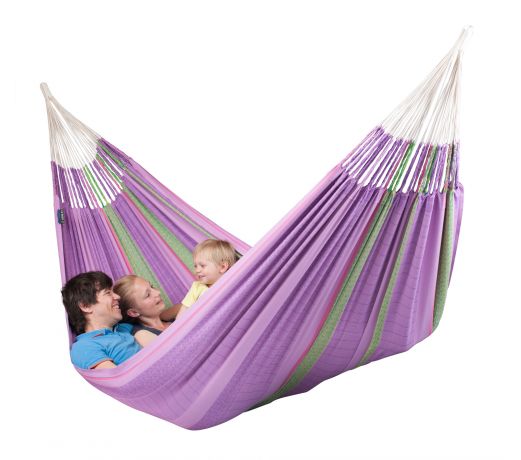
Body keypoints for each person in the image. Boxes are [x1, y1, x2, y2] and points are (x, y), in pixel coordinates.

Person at [61, 271, 142, 370]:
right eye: (108, 293)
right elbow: (116, 378)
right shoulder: (84, 347)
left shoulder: (124, 328)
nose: (118, 297)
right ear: (86, 306)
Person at [160, 239, 238, 321]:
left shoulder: (230, 286)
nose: (197, 270)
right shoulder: (197, 287)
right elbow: (183, 312)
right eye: (195, 266)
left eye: (202, 266)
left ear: (222, 267)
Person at [113, 275, 186, 347]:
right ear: (134, 312)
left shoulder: (166, 317)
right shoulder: (142, 335)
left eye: (152, 287)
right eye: (148, 295)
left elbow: (187, 305)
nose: (158, 292)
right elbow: (176, 350)